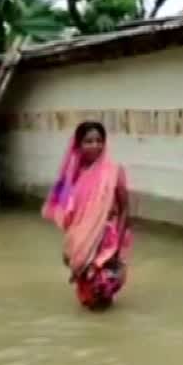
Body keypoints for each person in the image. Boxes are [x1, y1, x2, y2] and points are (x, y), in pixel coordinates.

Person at [42, 121, 132, 311]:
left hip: (106, 239)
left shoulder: (115, 171)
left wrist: (116, 248)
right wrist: (71, 244)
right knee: (86, 296)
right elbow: (62, 207)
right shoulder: (70, 175)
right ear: (78, 145)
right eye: (88, 141)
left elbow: (124, 208)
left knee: (102, 287)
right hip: (80, 239)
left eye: (99, 140)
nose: (95, 145)